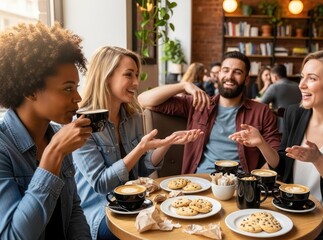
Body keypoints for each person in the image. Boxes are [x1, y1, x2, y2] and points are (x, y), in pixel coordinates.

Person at [230, 50, 323, 235]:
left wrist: (318, 160)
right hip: (291, 209)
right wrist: (261, 143)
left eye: (311, 78)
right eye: (301, 77)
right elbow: (281, 166)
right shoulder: (294, 114)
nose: (301, 85)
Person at [72, 46, 203, 240]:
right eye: (128, 75)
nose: (135, 82)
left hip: (135, 204)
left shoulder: (132, 116)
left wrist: (167, 142)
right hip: (102, 212)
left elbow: (140, 169)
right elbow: (101, 183)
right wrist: (140, 148)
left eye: (136, 75)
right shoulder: (82, 123)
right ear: (106, 77)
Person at [0, 22, 92, 239]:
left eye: (77, 87)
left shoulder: (57, 135)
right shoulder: (3, 149)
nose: (78, 97)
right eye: (68, 88)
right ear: (30, 90)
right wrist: (54, 154)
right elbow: (14, 236)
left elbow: (74, 213)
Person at [138, 51, 281, 174]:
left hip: (239, 185)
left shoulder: (262, 112)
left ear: (246, 80)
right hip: (200, 183)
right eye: (225, 70)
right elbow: (143, 99)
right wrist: (184, 85)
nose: (229, 76)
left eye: (237, 72)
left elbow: (275, 161)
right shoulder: (198, 104)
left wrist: (261, 144)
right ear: (218, 75)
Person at [258, 64, 302, 134]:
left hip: (282, 129)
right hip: (299, 126)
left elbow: (260, 105)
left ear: (275, 77)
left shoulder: (274, 87)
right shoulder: (298, 86)